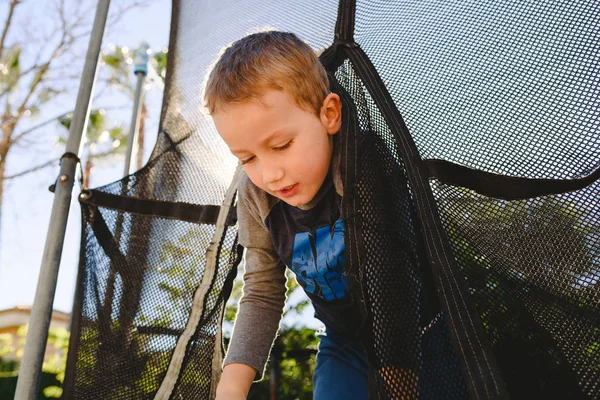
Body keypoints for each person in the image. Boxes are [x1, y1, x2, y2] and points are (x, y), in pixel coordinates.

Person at [204, 30, 369, 399]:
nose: (270, 174)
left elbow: (396, 270)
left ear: (328, 114)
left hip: (422, 329)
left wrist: (398, 380)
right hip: (344, 342)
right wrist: (230, 388)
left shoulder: (361, 166)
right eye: (247, 159)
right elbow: (262, 291)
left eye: (281, 146)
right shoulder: (257, 196)